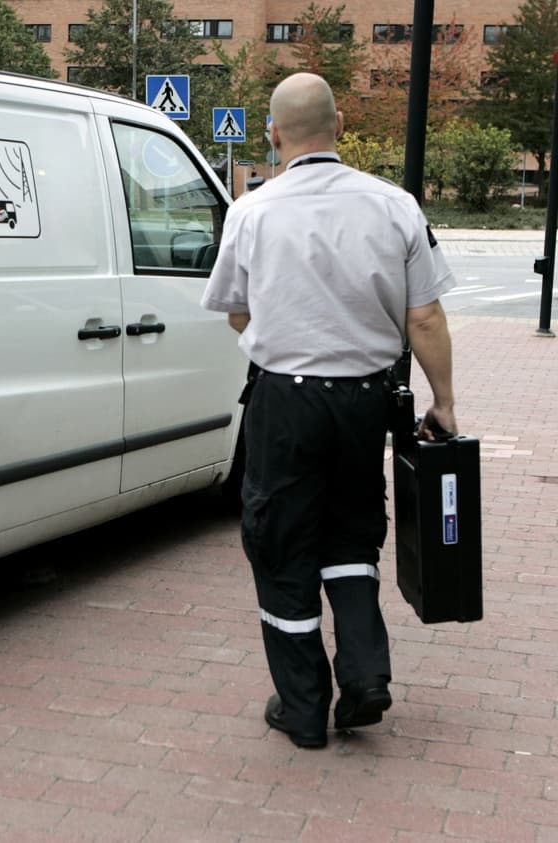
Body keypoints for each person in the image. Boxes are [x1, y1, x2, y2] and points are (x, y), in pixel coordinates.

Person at [201, 72, 457, 749]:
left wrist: (287, 333)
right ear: (340, 126)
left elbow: (235, 311)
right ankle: (367, 675)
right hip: (365, 401)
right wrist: (447, 403)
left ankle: (304, 708)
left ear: (274, 134)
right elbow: (425, 315)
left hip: (285, 400)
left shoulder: (252, 211)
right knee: (350, 535)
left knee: (283, 542)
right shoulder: (394, 204)